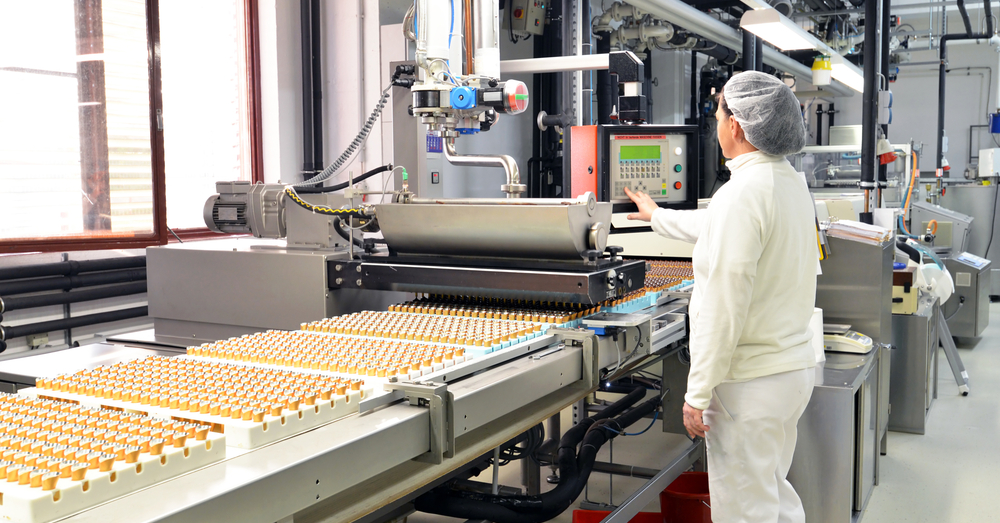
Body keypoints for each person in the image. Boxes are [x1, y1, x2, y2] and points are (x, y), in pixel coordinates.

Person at [624, 71, 817, 523]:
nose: (715, 124)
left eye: (717, 114)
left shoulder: (742, 195)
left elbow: (723, 306)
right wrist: (657, 217)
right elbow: (718, 228)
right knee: (770, 494)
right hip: (788, 372)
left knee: (744, 511)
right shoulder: (787, 183)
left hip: (749, 385)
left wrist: (697, 392)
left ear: (736, 126)